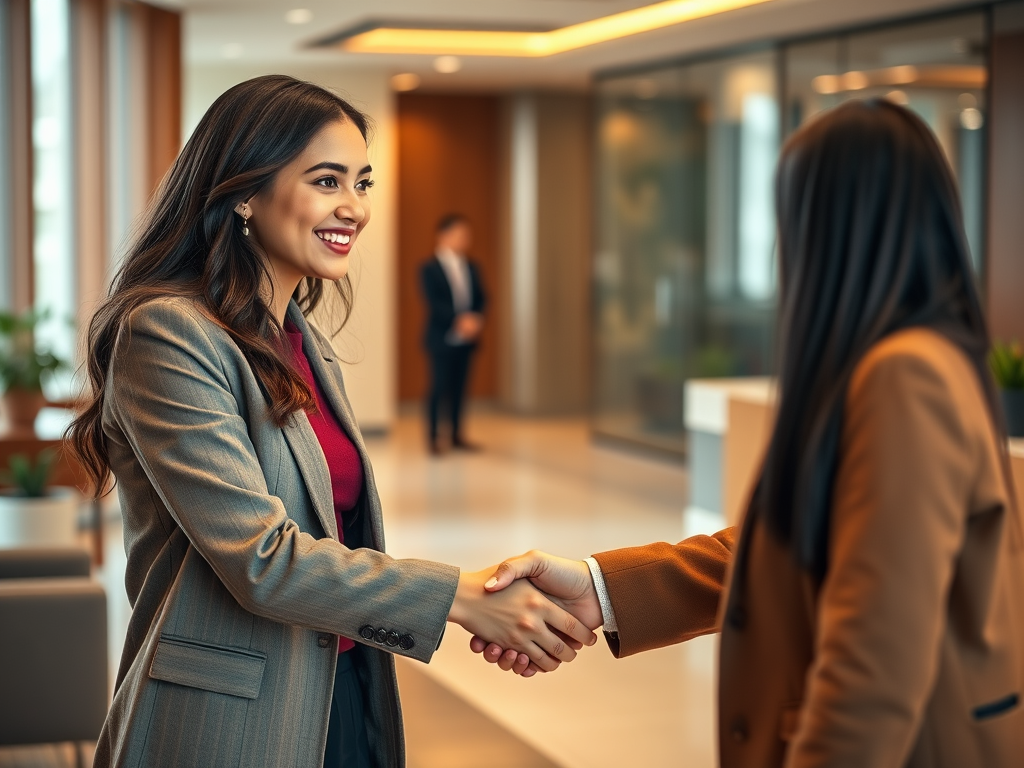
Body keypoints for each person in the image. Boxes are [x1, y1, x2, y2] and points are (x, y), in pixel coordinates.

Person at [475, 99, 1024, 766]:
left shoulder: (906, 378)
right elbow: (796, 550)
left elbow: (876, 662)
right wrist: (600, 589)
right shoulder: (903, 363)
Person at [67, 75, 594, 768]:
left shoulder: (298, 338)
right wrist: (461, 599)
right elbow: (262, 560)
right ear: (245, 194)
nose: (355, 208)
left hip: (340, 682)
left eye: (363, 182)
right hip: (229, 713)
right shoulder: (168, 334)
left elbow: (335, 530)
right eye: (326, 181)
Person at [420, 214, 486, 454]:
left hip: (467, 338)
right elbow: (434, 302)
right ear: (443, 236)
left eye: (466, 235)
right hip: (441, 336)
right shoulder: (429, 267)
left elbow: (481, 297)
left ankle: (457, 435)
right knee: (438, 387)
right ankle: (434, 437)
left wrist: (475, 319)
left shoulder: (471, 266)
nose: (464, 240)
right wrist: (458, 320)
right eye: (458, 234)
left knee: (460, 387)